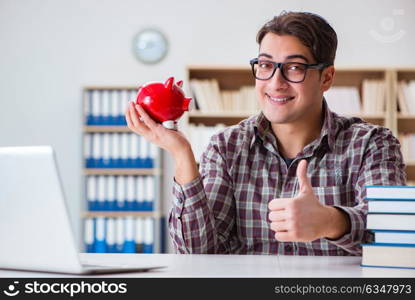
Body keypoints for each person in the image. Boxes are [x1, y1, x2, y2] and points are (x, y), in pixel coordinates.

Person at [125, 11, 406, 255]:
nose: (275, 82)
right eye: (265, 65)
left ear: (327, 77)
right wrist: (182, 155)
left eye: (294, 67)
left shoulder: (372, 144)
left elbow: (393, 236)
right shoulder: (226, 147)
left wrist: (331, 222)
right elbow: (197, 253)